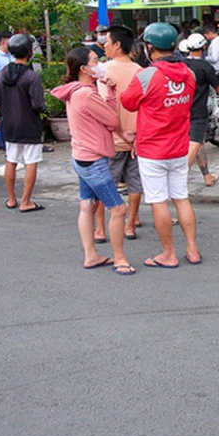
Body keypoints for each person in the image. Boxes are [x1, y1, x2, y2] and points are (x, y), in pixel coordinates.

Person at [120, 22, 202, 269]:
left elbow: (128, 102)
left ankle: (169, 254)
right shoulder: (189, 73)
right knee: (181, 198)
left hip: (153, 148)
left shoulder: (146, 75)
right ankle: (193, 249)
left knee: (158, 201)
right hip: (179, 146)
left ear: (149, 47)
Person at [51, 46, 135, 275]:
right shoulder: (87, 93)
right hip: (93, 160)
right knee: (118, 208)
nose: (100, 64)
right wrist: (111, 94)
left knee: (87, 206)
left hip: (80, 156)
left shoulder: (75, 90)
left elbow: (105, 119)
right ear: (83, 68)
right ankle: (120, 259)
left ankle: (91, 255)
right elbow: (110, 119)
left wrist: (106, 93)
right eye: (96, 60)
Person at [100, 24, 144, 239]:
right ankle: (130, 225)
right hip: (137, 139)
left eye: (106, 42)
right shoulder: (140, 72)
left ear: (117, 45)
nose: (104, 45)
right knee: (136, 183)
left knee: (104, 183)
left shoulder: (105, 71)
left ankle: (100, 228)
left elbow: (102, 108)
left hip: (112, 139)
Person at [0, 34, 46, 212]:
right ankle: (26, 201)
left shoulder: (2, 74)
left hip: (9, 123)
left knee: (11, 160)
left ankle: (11, 199)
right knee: (31, 162)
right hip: (29, 124)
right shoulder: (31, 76)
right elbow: (38, 104)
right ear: (29, 51)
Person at [184, 33, 219, 186]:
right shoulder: (205, 67)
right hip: (198, 113)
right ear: (203, 47)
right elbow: (218, 87)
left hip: (180, 111)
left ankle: (207, 176)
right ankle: (179, 178)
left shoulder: (180, 64)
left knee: (200, 144)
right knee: (196, 143)